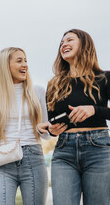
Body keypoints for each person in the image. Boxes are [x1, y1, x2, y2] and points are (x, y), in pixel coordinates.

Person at [37, 29, 110, 205]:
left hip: (98, 150)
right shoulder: (54, 84)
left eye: (69, 40)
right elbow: (53, 120)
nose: (64, 45)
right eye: (61, 43)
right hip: (64, 151)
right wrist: (49, 129)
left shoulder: (104, 78)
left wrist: (95, 110)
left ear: (85, 45)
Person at [0, 47, 50, 204]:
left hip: (33, 158)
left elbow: (46, 134)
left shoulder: (37, 91)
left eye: (25, 60)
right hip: (2, 161)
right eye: (19, 61)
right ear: (5, 66)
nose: (25, 65)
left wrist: (48, 130)